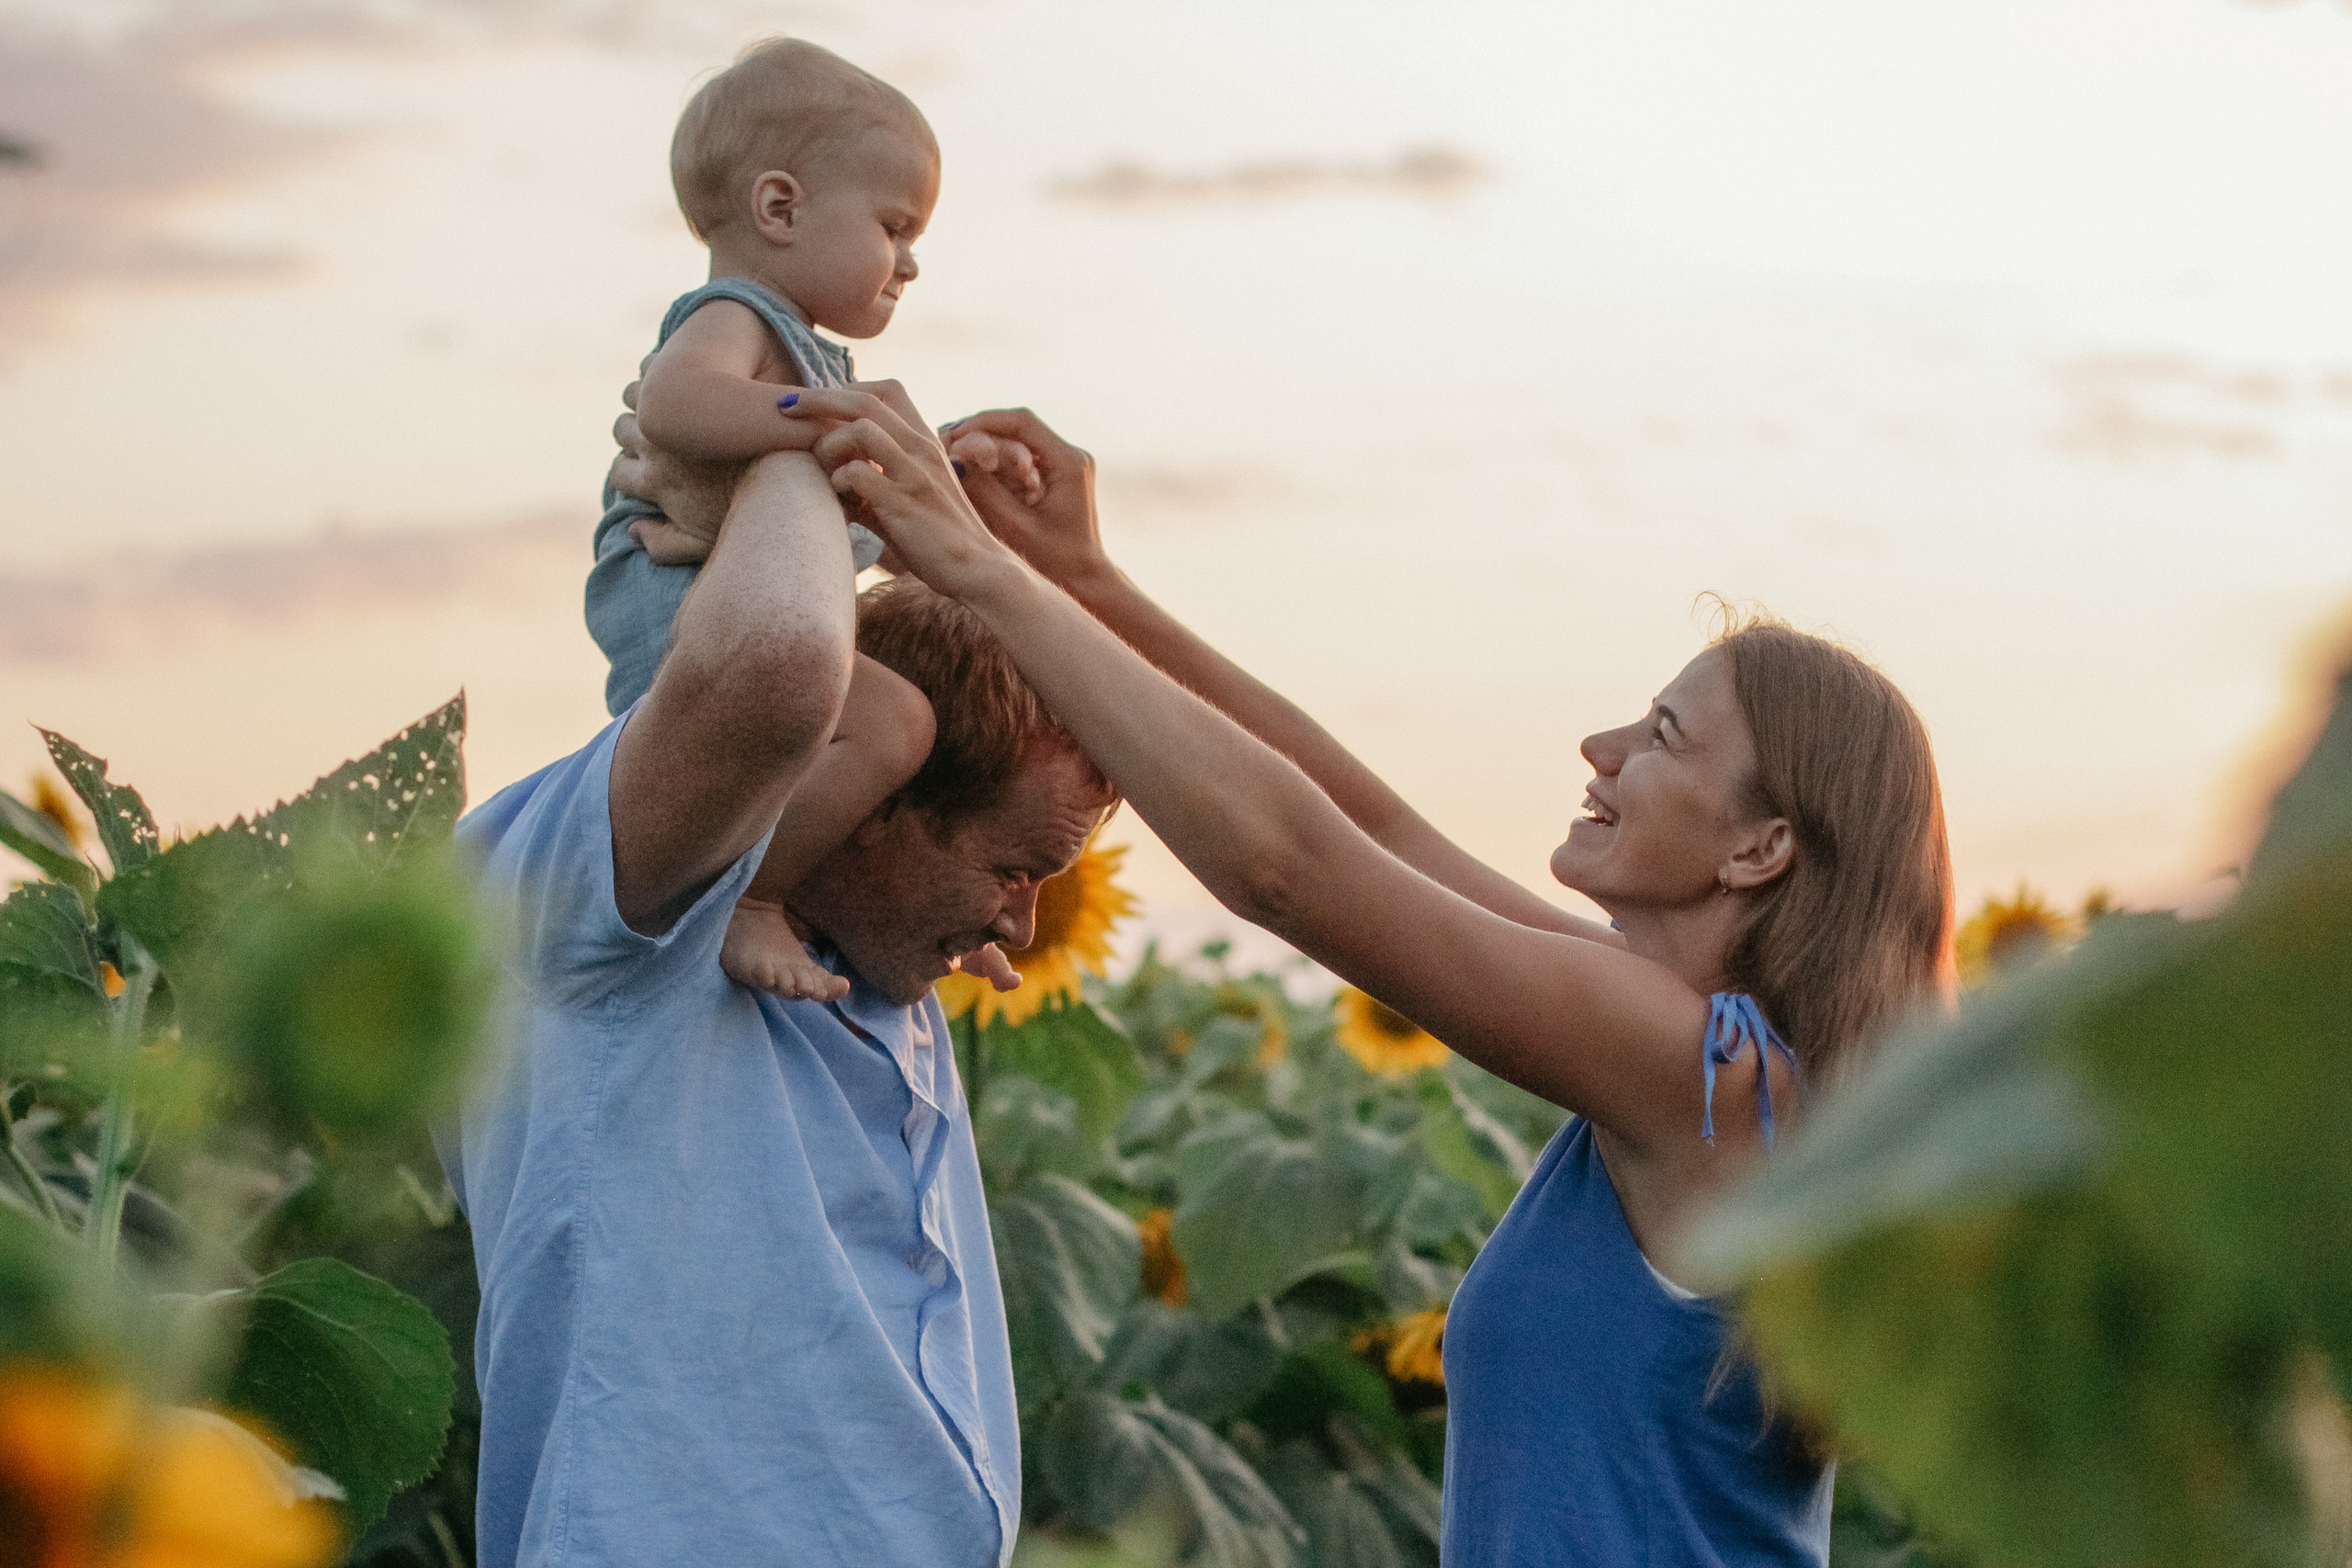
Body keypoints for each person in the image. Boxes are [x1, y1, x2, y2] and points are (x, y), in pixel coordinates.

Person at [618, 388, 1953, 1567]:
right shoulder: (1696, 1059)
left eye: (1661, 733)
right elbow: (1371, 829)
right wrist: (1090, 581)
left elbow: (1289, 868)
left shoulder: (1694, 1077)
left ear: (1763, 844)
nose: (1601, 745)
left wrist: (978, 569)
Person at [442, 444, 1114, 1568]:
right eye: (1013, 870)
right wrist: (789, 451)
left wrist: (1058, 582)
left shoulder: (859, 950)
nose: (1022, 930)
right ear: (875, 793)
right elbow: (780, 667)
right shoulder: (632, 911)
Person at [584, 36, 1035, 1004]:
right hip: (686, 612)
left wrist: (939, 461)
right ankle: (756, 900)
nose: (909, 263)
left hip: (742, 605)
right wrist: (823, 424)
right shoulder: (736, 314)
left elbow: (875, 494)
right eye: (895, 226)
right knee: (892, 725)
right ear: (780, 208)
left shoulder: (820, 363)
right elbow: (673, 405)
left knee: (902, 737)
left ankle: (919, 912)